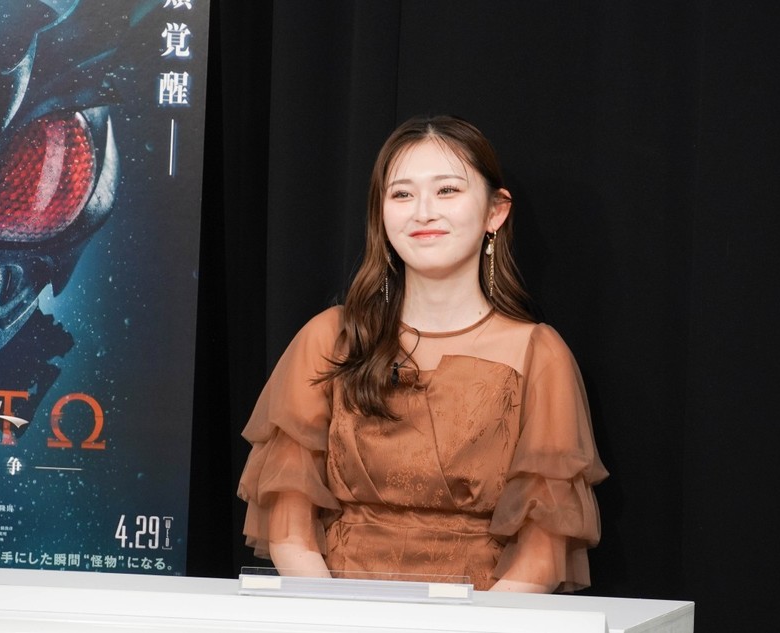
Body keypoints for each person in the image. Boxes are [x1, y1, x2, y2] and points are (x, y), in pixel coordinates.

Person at [237, 115, 607, 593]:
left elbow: (540, 556)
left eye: (447, 190)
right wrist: (338, 619)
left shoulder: (538, 354)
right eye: (402, 194)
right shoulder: (329, 338)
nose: (423, 213)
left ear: (496, 211)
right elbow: (291, 531)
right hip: (336, 612)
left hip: (483, 617)